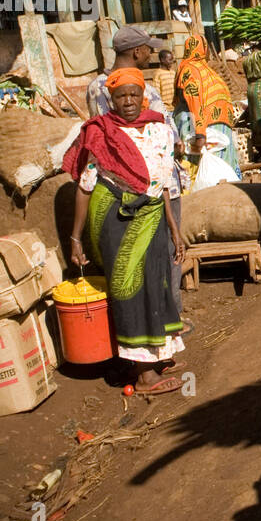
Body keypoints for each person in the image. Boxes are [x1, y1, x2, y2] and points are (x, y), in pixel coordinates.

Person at [64, 68, 187, 395]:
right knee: (128, 288)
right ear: (111, 100)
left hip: (153, 215)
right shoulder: (100, 133)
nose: (128, 101)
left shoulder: (159, 128)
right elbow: (85, 187)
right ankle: (143, 375)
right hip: (116, 220)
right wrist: (75, 237)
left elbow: (162, 183)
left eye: (134, 95)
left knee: (156, 281)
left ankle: (158, 354)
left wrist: (175, 231)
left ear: (143, 96)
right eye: (121, 96)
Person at [86, 26, 186, 313]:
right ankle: (171, 318)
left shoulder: (96, 87)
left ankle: (143, 319)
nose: (150, 54)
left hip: (117, 188)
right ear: (136, 52)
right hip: (155, 186)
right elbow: (170, 139)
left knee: (132, 256)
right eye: (148, 50)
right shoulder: (143, 90)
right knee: (167, 254)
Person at [174, 35, 241, 177]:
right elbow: (194, 99)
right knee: (214, 169)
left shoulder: (190, 69)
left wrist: (200, 133)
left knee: (205, 170)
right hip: (211, 126)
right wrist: (200, 134)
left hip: (208, 127)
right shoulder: (197, 70)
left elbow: (195, 100)